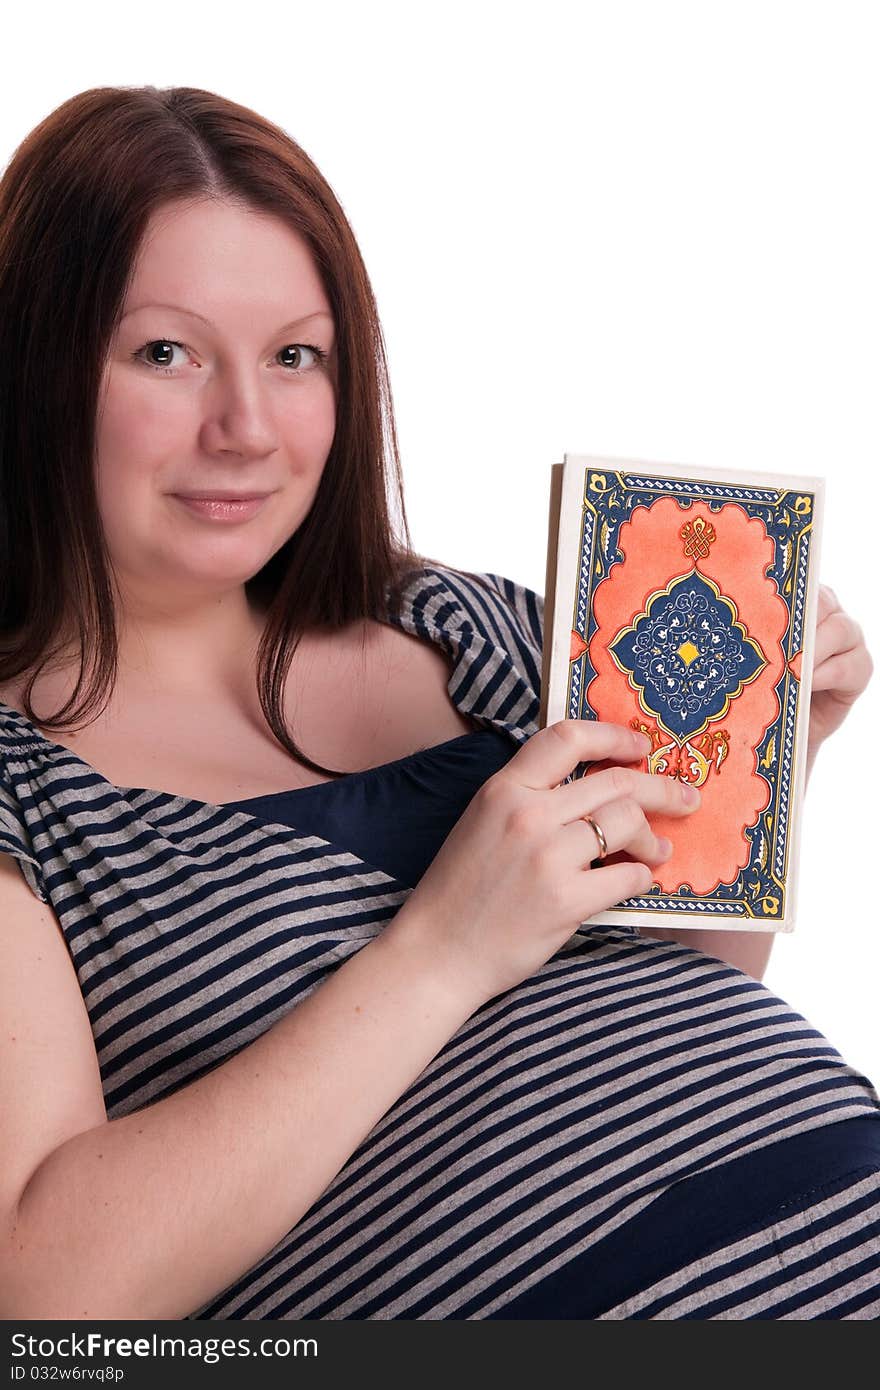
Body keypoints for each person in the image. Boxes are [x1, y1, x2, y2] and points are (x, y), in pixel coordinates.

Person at [0, 85, 877, 1323]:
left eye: (295, 356)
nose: (247, 427)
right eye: (166, 352)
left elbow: (680, 987)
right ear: (32, 367)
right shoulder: (20, 788)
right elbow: (44, 1298)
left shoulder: (476, 627)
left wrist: (756, 775)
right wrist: (444, 948)